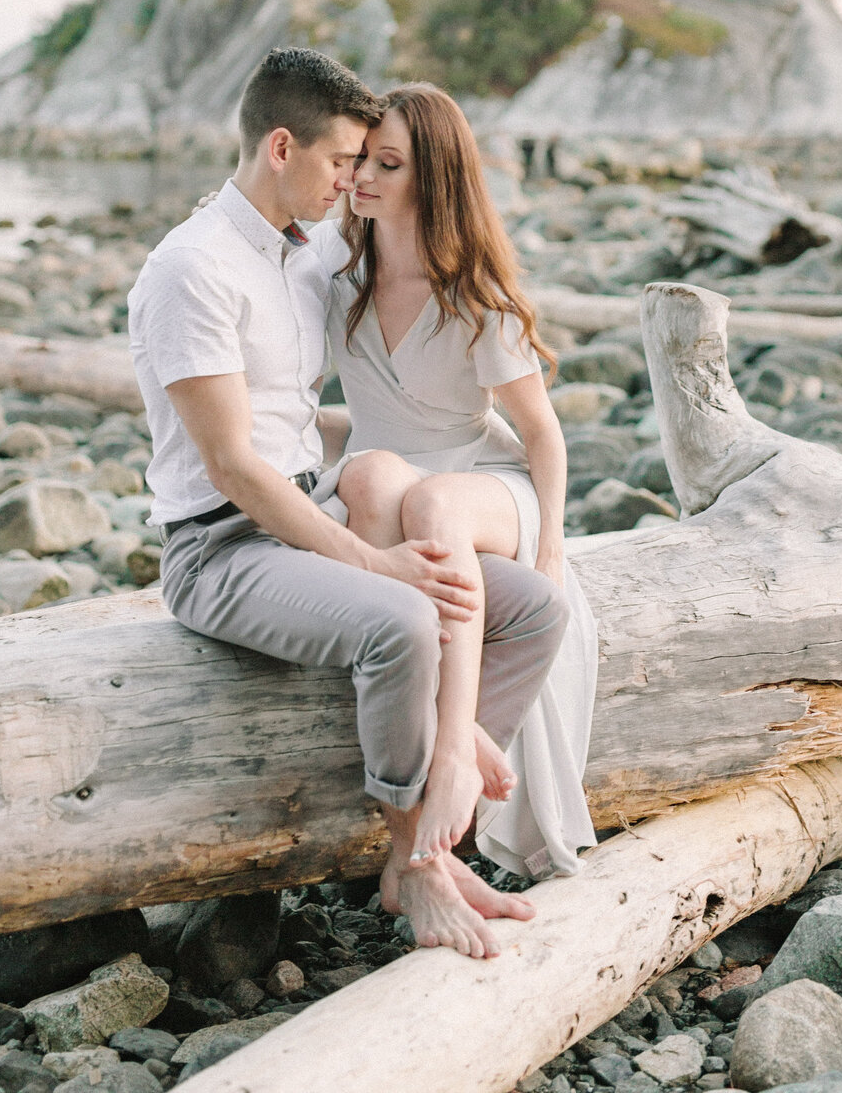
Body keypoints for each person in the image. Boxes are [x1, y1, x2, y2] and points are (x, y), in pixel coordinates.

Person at [127, 48, 569, 960]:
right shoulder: (193, 271)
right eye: (341, 162)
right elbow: (232, 470)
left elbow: (410, 254)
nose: (352, 181)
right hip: (220, 547)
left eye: (369, 164)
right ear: (281, 147)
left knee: (532, 608)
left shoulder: (306, 252)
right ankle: (414, 866)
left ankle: (457, 764)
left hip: (300, 507)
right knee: (403, 621)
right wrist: (370, 561)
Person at [309, 83, 598, 879]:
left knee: (430, 499)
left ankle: (457, 743)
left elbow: (541, 432)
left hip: (484, 483)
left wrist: (550, 553)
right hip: (390, 481)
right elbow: (360, 415)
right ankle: (437, 746)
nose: (363, 176)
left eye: (389, 164)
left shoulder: (476, 296)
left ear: (431, 178)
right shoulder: (341, 286)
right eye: (362, 158)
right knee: (366, 477)